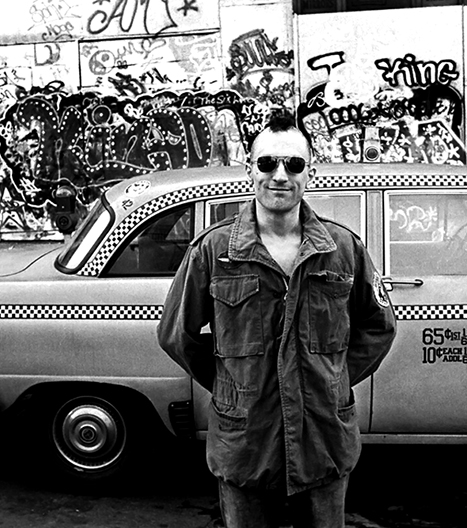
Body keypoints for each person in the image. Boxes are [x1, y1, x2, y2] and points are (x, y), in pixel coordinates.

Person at [157, 110, 396, 528]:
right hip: (246, 443)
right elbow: (176, 334)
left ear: (310, 173)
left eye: (294, 164)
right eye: (267, 163)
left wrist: (332, 379)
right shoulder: (215, 252)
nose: (280, 175)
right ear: (249, 170)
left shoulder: (342, 249)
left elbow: (379, 326)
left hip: (323, 439)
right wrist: (232, 384)